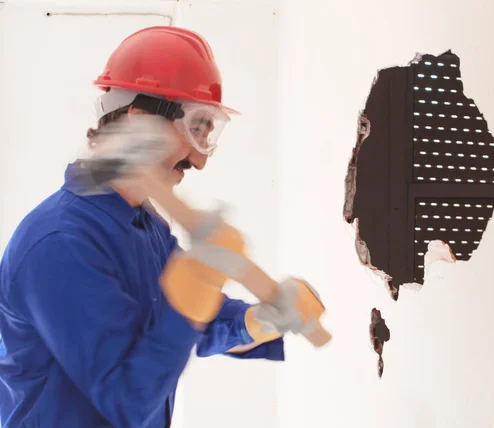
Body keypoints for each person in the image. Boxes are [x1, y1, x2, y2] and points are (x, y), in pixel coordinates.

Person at [0, 26, 320, 427]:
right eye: (196, 127)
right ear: (140, 122)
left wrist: (260, 320)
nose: (200, 160)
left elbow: (184, 322)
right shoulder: (60, 244)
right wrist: (191, 296)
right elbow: (125, 401)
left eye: (210, 133)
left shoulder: (144, 224)